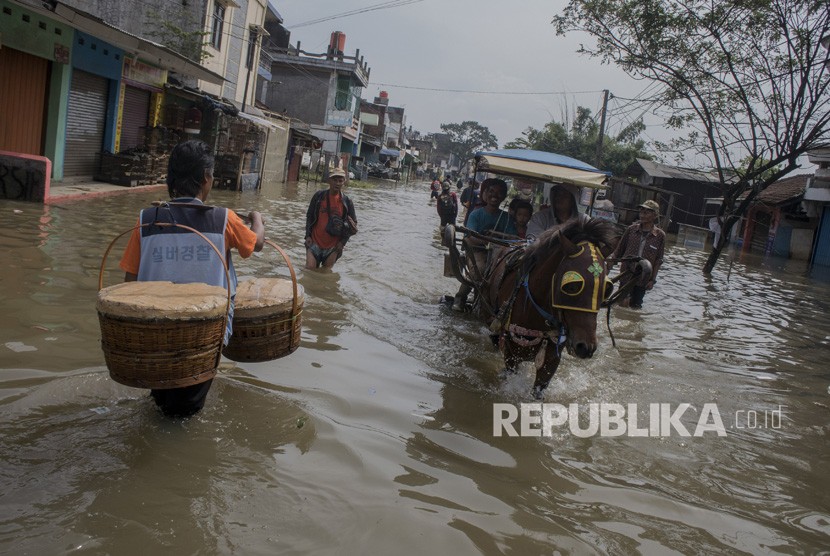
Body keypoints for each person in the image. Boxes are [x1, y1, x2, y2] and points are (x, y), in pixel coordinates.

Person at [119, 140, 265, 417]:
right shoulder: (223, 219)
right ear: (207, 179)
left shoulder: (147, 219)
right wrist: (257, 218)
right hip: (202, 334)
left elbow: (129, 284)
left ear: (170, 179)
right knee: (185, 412)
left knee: (160, 400)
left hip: (153, 333)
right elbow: (257, 243)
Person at [452, 178, 517, 311]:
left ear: (504, 196)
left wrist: (496, 237)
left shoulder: (507, 218)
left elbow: (513, 239)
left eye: (499, 193)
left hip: (501, 254)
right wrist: (488, 240)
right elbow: (470, 237)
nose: (494, 195)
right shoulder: (476, 215)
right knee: (479, 271)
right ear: (484, 194)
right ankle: (460, 298)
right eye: (491, 191)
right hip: (477, 252)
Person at [609, 199, 666, 309]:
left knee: (636, 306)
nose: (642, 215)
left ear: (654, 215)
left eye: (646, 212)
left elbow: (659, 259)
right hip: (626, 273)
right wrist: (609, 265)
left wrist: (652, 280)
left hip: (643, 277)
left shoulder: (660, 236)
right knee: (622, 303)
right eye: (641, 211)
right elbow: (619, 250)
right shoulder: (631, 230)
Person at [305, 167, 358, 270]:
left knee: (326, 274)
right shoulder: (319, 196)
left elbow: (353, 226)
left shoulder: (347, 202)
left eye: (340, 180)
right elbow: (309, 216)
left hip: (333, 247)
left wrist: (342, 243)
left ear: (344, 182)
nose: (337, 183)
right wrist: (307, 236)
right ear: (329, 180)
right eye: (335, 180)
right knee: (309, 269)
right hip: (314, 242)